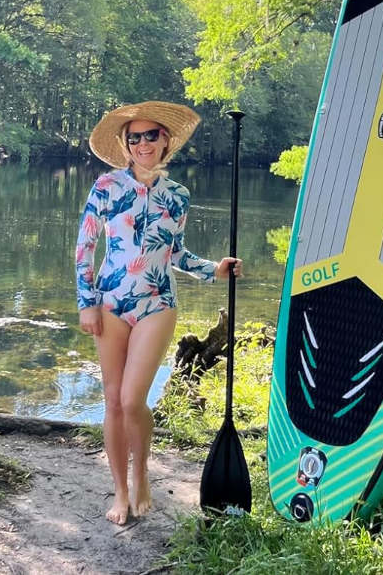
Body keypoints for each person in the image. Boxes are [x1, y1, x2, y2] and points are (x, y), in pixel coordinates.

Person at [76, 101, 243, 525]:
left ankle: (142, 473)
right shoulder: (106, 186)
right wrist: (86, 301)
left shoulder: (178, 195)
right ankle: (120, 489)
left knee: (133, 400)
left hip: (157, 303)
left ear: (165, 140)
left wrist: (214, 270)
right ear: (125, 144)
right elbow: (85, 247)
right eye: (135, 137)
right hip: (109, 302)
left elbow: (176, 253)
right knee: (113, 401)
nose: (143, 143)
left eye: (151, 135)